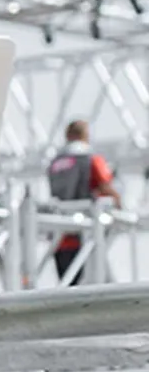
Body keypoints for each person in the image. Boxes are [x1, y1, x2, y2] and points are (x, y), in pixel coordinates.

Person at [47, 119, 120, 284]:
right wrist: (119, 203)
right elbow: (104, 186)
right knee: (91, 289)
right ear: (85, 135)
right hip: (85, 236)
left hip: (59, 237)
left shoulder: (54, 163)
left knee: (67, 287)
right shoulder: (89, 159)